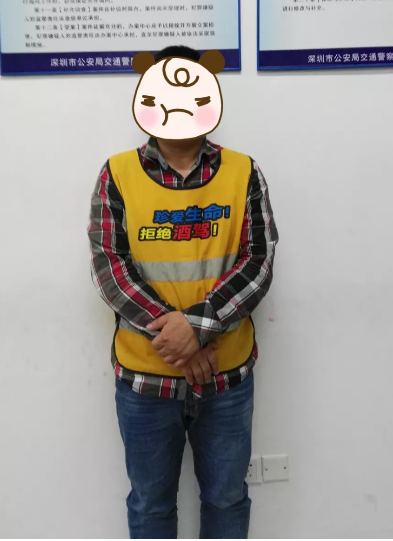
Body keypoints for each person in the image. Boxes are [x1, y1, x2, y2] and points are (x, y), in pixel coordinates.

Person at [88, 45, 278, 539]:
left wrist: (195, 328)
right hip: (146, 380)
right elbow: (110, 268)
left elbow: (258, 261)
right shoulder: (117, 173)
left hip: (226, 377)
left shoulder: (244, 171)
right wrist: (183, 340)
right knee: (150, 507)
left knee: (227, 499)